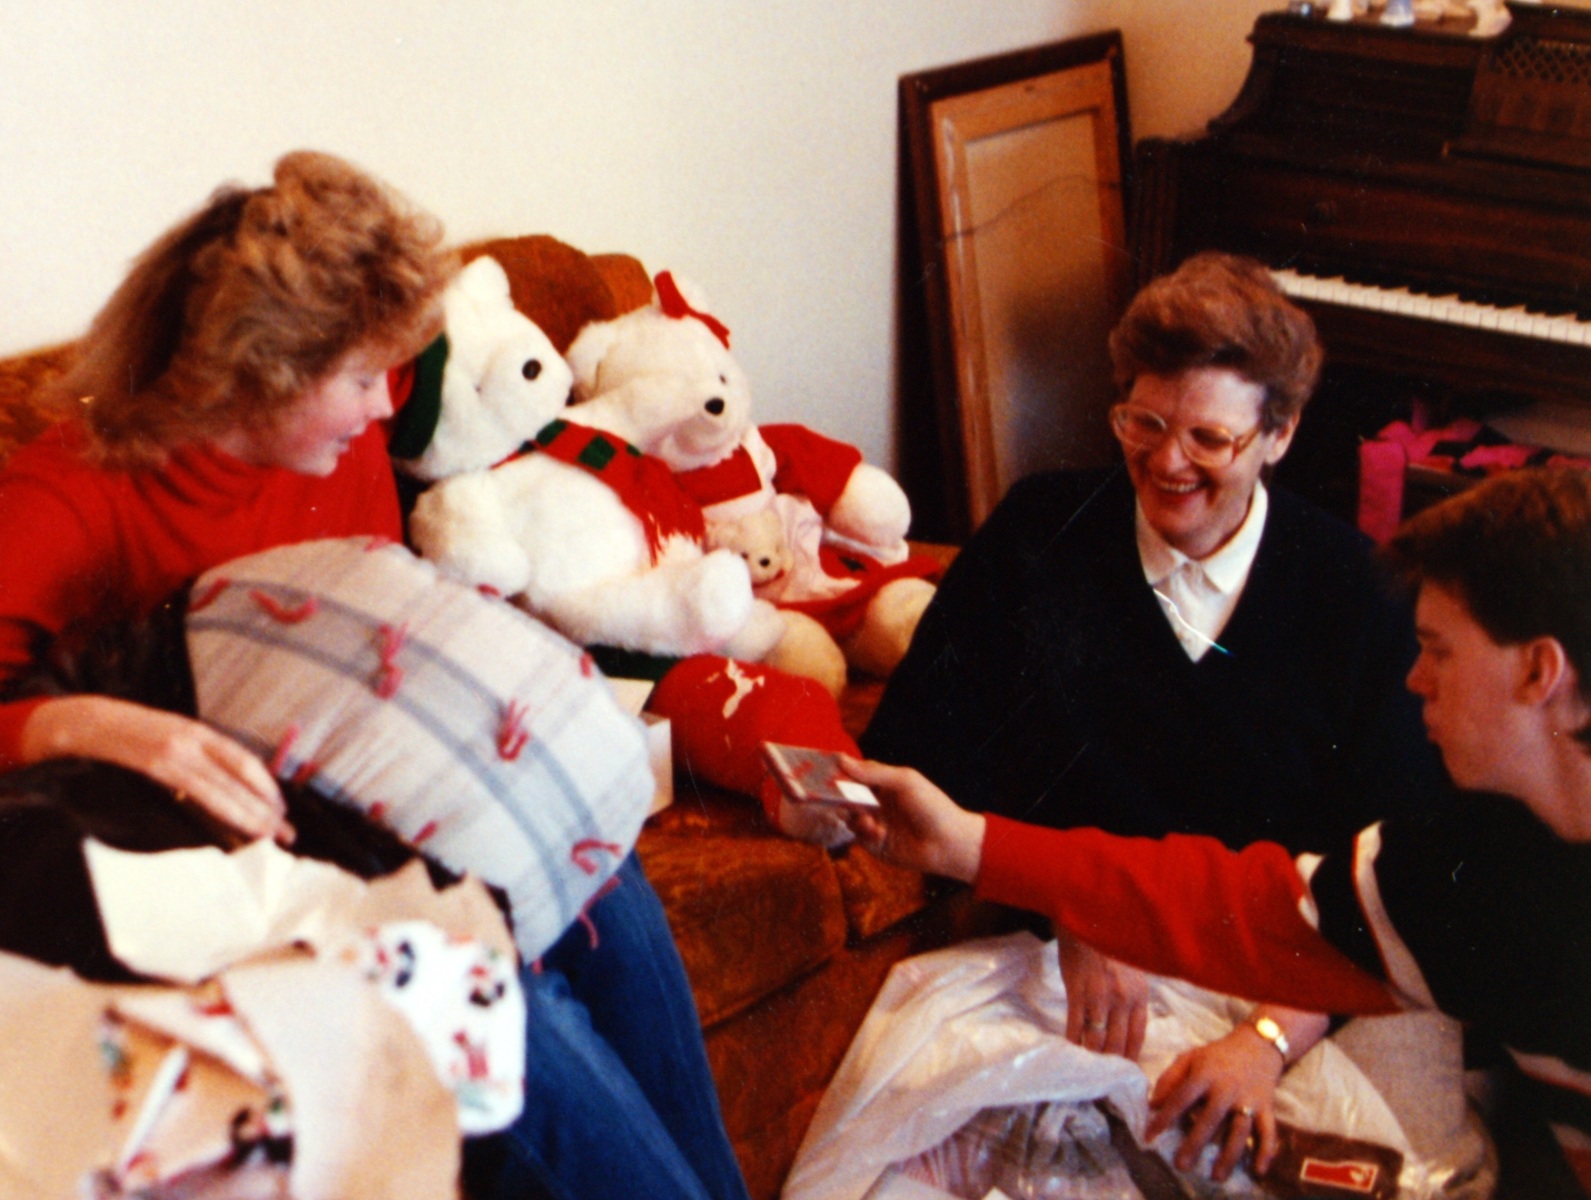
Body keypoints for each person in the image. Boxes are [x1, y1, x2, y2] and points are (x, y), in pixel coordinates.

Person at [0, 150, 750, 1200]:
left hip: (363, 796)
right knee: (505, 1009)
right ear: (258, 371)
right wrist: (92, 724)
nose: (381, 409)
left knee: (604, 881)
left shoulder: (337, 445)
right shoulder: (73, 496)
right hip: (229, 861)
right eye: (360, 379)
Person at [844, 466, 1591, 1197]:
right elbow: (1234, 908)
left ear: (1538, 673)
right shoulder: (1476, 855)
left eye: (1439, 651)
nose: (1414, 679)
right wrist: (967, 843)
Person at [863, 251, 1449, 1174]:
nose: (1167, 463)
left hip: (1293, 988)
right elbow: (918, 754)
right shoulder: (1037, 532)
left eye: (1208, 439)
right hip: (1060, 971)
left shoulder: (1358, 592)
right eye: (1143, 423)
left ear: (1279, 434)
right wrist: (1072, 903)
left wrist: (1264, 1039)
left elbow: (1389, 872)